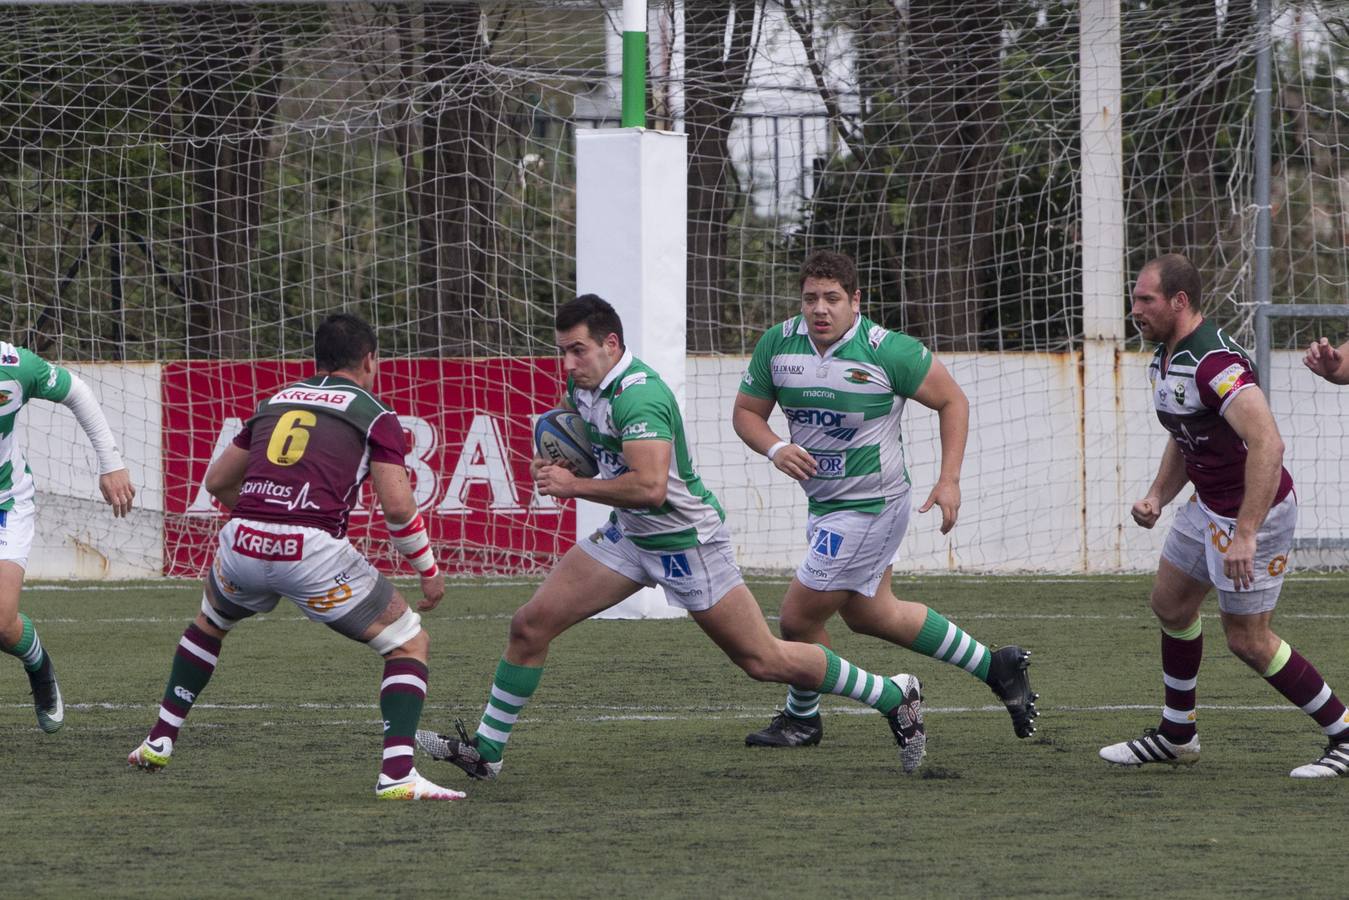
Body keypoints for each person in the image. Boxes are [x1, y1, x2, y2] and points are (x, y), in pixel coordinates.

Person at [417, 294, 930, 779]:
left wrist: (573, 485)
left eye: (578, 351)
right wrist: (561, 460)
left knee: (763, 660)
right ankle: (487, 753)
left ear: (611, 345)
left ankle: (892, 694)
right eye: (563, 352)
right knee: (530, 625)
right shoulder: (583, 387)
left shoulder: (641, 396)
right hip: (629, 538)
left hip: (687, 544)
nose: (568, 364)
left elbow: (649, 485)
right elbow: (600, 452)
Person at [127, 313, 461, 800]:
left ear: (317, 358)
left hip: (242, 542)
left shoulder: (276, 400)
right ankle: (397, 775)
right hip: (311, 550)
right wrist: (429, 572)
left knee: (208, 625)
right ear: (370, 360)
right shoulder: (375, 413)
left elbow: (217, 482)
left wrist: (264, 517)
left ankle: (159, 740)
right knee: (409, 643)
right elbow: (397, 507)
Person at [732, 249, 1038, 749]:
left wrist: (950, 480)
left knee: (797, 618)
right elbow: (746, 413)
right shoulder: (777, 345)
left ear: (855, 301)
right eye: (810, 299)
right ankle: (995, 666)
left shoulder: (887, 350)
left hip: (871, 507)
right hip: (826, 505)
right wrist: (776, 447)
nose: (820, 310)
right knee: (872, 614)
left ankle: (803, 717)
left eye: (832, 298)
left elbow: (951, 400)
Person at [1099, 253, 1349, 777]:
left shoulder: (1215, 363)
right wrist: (1157, 496)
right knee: (1170, 604)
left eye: (1146, 299)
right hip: (1208, 506)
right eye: (1135, 298)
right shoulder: (1166, 357)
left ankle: (1343, 731)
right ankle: (1177, 734)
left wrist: (1246, 534)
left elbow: (1268, 444)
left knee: (1248, 640)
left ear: (1180, 301)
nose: (1136, 309)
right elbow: (1185, 433)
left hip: (1256, 513)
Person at [0, 342, 134, 733]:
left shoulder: (15, 367)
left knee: (3, 623)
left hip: (5, 503)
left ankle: (39, 666)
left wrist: (111, 463)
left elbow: (77, 391)